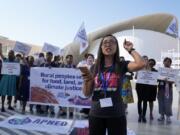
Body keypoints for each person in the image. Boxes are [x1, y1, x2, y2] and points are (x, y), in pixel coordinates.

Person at [79, 35, 145, 135]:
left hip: (116, 114)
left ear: (116, 47)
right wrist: (86, 80)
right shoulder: (94, 67)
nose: (108, 44)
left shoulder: (122, 65)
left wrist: (130, 49)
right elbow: (87, 93)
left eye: (112, 42)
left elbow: (141, 64)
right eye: (105, 42)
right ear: (101, 47)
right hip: (96, 113)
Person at [157, 57, 173, 124]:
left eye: (168, 61)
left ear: (170, 63)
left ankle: (168, 116)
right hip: (161, 88)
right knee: (161, 101)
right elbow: (157, 78)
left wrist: (169, 81)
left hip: (168, 88)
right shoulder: (160, 70)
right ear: (163, 62)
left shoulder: (172, 71)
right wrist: (161, 79)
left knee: (168, 102)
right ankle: (162, 115)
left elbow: (174, 80)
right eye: (166, 61)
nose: (167, 63)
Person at [135, 55, 149, 123]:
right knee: (140, 100)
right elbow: (135, 77)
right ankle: (140, 115)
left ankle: (144, 115)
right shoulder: (139, 67)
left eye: (146, 59)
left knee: (145, 101)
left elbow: (153, 78)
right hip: (139, 86)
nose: (145, 60)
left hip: (146, 87)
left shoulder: (150, 68)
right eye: (143, 59)